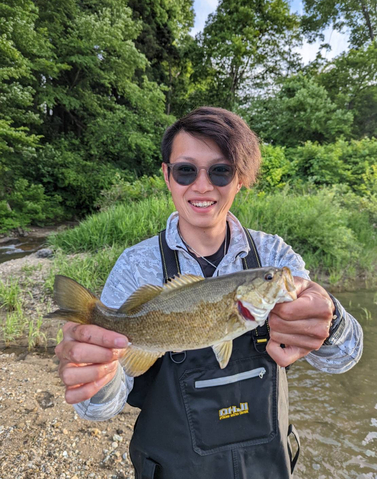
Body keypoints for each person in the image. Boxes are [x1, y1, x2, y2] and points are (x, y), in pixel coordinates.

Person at [55, 107, 363, 479]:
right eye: (186, 170)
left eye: (220, 170)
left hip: (267, 468)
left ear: (239, 179)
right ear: (167, 176)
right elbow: (99, 409)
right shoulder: (136, 266)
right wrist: (95, 377)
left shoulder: (274, 256)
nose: (202, 186)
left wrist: (331, 320)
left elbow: (344, 359)